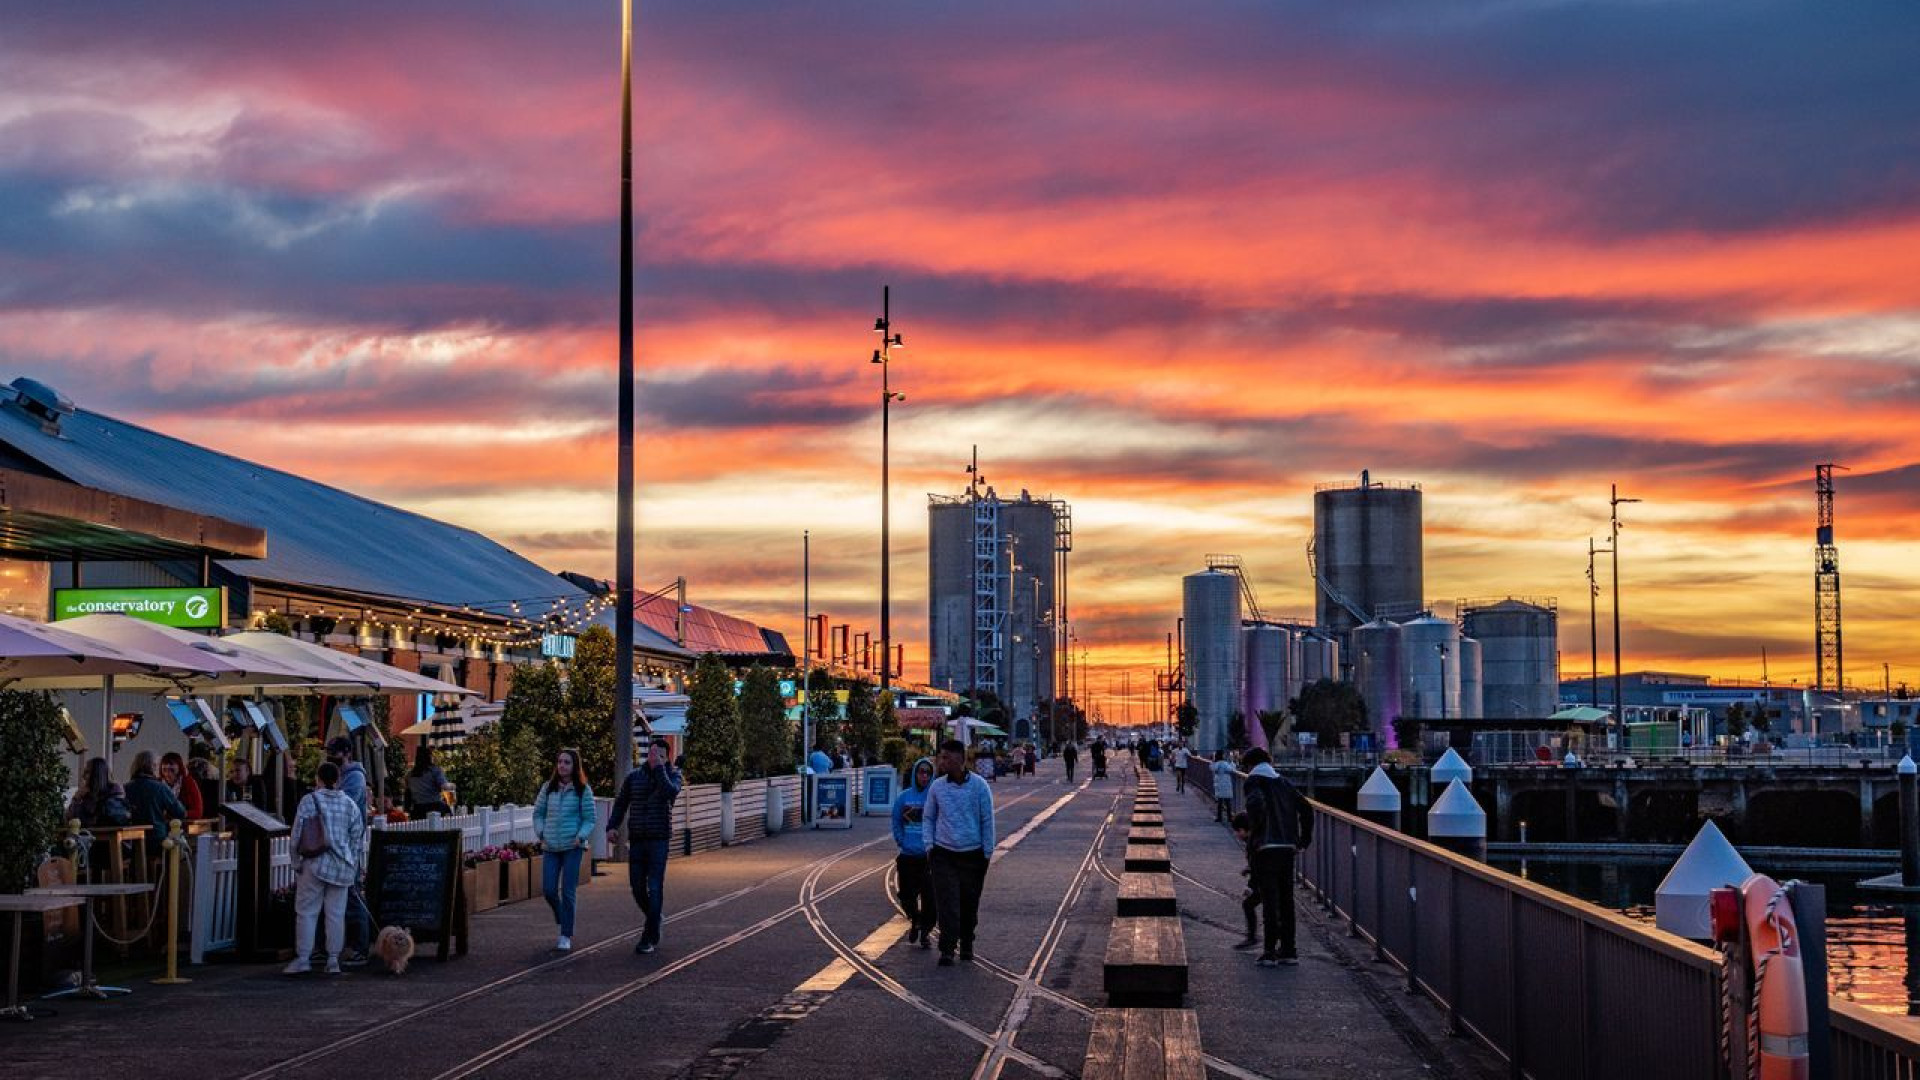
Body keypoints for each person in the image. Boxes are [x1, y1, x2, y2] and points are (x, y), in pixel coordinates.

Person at [285, 761, 365, 976]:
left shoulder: (309, 800)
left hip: (315, 863)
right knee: (336, 914)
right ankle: (333, 960)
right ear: (338, 780)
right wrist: (354, 865)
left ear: (318, 779)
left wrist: (295, 862)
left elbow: (297, 835)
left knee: (307, 912)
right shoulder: (350, 805)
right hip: (342, 867)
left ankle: (303, 958)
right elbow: (357, 840)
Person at [920, 739, 995, 966]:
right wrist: (929, 846)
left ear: (961, 760)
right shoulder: (937, 787)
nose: (943, 762)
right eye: (941, 757)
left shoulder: (980, 786)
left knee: (969, 903)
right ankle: (947, 948)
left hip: (973, 855)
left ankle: (967, 943)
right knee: (947, 903)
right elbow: (929, 817)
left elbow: (987, 819)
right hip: (943, 853)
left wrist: (987, 852)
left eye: (948, 758)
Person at [1239, 747, 1312, 967]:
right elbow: (1306, 808)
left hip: (1266, 848)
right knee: (1286, 899)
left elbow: (1255, 804)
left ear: (1250, 765)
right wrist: (1303, 840)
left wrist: (1256, 830)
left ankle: (1269, 951)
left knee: (1270, 900)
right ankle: (1289, 950)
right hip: (1287, 847)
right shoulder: (1284, 782)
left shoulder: (1253, 781)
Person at [607, 741, 680, 954]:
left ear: (667, 758)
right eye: (653, 754)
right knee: (637, 887)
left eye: (661, 755)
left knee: (655, 886)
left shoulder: (673, 776)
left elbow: (670, 793)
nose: (655, 758)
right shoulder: (634, 777)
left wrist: (659, 769)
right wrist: (612, 826)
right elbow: (621, 803)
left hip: (659, 839)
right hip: (637, 838)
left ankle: (648, 937)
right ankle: (655, 917)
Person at [534, 748, 597, 952]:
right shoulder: (548, 788)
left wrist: (581, 836)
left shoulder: (582, 790)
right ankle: (563, 917)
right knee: (549, 889)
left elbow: (590, 818)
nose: (562, 765)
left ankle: (565, 934)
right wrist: (541, 831)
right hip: (551, 845)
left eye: (567, 762)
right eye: (560, 761)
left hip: (573, 846)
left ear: (574, 766)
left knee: (568, 890)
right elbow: (538, 813)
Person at [324, 737, 373, 968]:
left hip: (348, 846)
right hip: (333, 843)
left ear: (346, 753)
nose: (330, 755)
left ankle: (360, 947)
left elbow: (345, 808)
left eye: (334, 752)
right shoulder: (341, 775)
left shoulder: (354, 777)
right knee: (334, 895)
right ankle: (332, 946)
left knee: (352, 893)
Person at [890, 757, 937, 949]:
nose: (924, 776)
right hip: (908, 855)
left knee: (930, 899)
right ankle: (915, 919)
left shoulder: (935, 797)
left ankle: (925, 932)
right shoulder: (904, 797)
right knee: (906, 896)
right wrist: (901, 840)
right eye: (921, 772)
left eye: (927, 772)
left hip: (928, 857)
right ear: (915, 774)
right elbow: (896, 820)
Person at [124, 750, 189, 847]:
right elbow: (180, 812)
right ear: (153, 766)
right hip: (156, 838)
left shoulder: (125, 788)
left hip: (131, 840)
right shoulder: (160, 788)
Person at [67, 756, 130, 827]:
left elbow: (89, 821)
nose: (83, 776)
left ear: (96, 775)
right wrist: (76, 798)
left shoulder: (114, 793)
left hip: (108, 834)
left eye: (87, 772)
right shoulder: (86, 793)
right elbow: (71, 818)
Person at [1230, 812, 1262, 950]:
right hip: (1267, 878)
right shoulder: (1257, 838)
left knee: (1248, 904)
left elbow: (1258, 867)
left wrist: (1250, 887)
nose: (1237, 835)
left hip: (1264, 881)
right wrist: (1248, 869)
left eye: (1237, 831)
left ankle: (1252, 938)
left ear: (1243, 830)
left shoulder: (1252, 844)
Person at [407, 744, 453, 818]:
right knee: (450, 818)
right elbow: (445, 786)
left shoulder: (410, 774)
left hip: (417, 810)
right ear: (429, 757)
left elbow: (408, 791)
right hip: (435, 808)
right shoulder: (434, 771)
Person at [1212, 750, 1237, 823]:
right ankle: (1229, 817)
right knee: (1227, 802)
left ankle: (1219, 817)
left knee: (1220, 802)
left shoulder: (1217, 763)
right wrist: (1232, 762)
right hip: (1226, 783)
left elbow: (1213, 768)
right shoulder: (1224, 764)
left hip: (1219, 783)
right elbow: (1232, 769)